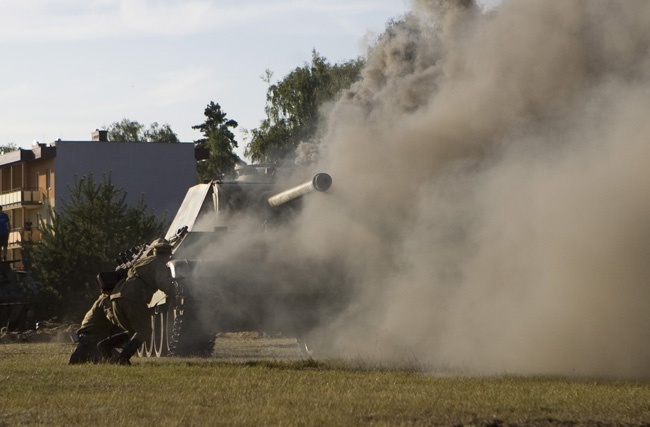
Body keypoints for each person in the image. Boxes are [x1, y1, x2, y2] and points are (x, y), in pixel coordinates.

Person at [108, 240, 174, 365]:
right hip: (133, 296)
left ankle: (105, 345)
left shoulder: (144, 260)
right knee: (144, 331)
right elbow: (161, 283)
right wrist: (172, 291)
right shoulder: (159, 264)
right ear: (167, 255)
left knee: (133, 331)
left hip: (118, 294)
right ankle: (122, 359)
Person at [69, 274, 127, 364]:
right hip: (94, 341)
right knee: (118, 361)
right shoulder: (107, 300)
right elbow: (113, 318)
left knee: (76, 362)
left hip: (87, 340)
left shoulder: (102, 298)